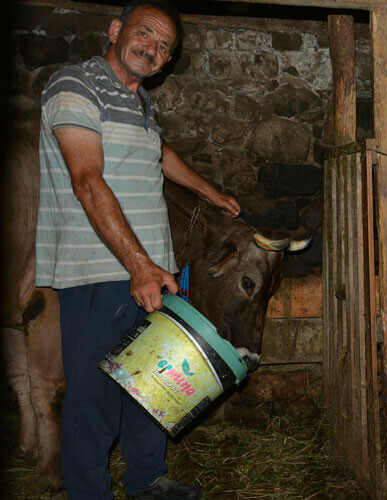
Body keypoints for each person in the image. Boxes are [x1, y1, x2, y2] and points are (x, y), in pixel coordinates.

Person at [36, 1, 240, 498]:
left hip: (151, 271)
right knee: (94, 399)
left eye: (163, 46)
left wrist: (210, 193)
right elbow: (87, 180)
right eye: (145, 35)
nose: (152, 49)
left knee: (150, 386)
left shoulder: (142, 103)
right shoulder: (75, 85)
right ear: (115, 30)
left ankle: (148, 480)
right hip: (101, 270)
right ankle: (90, 493)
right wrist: (138, 265)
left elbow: (160, 153)